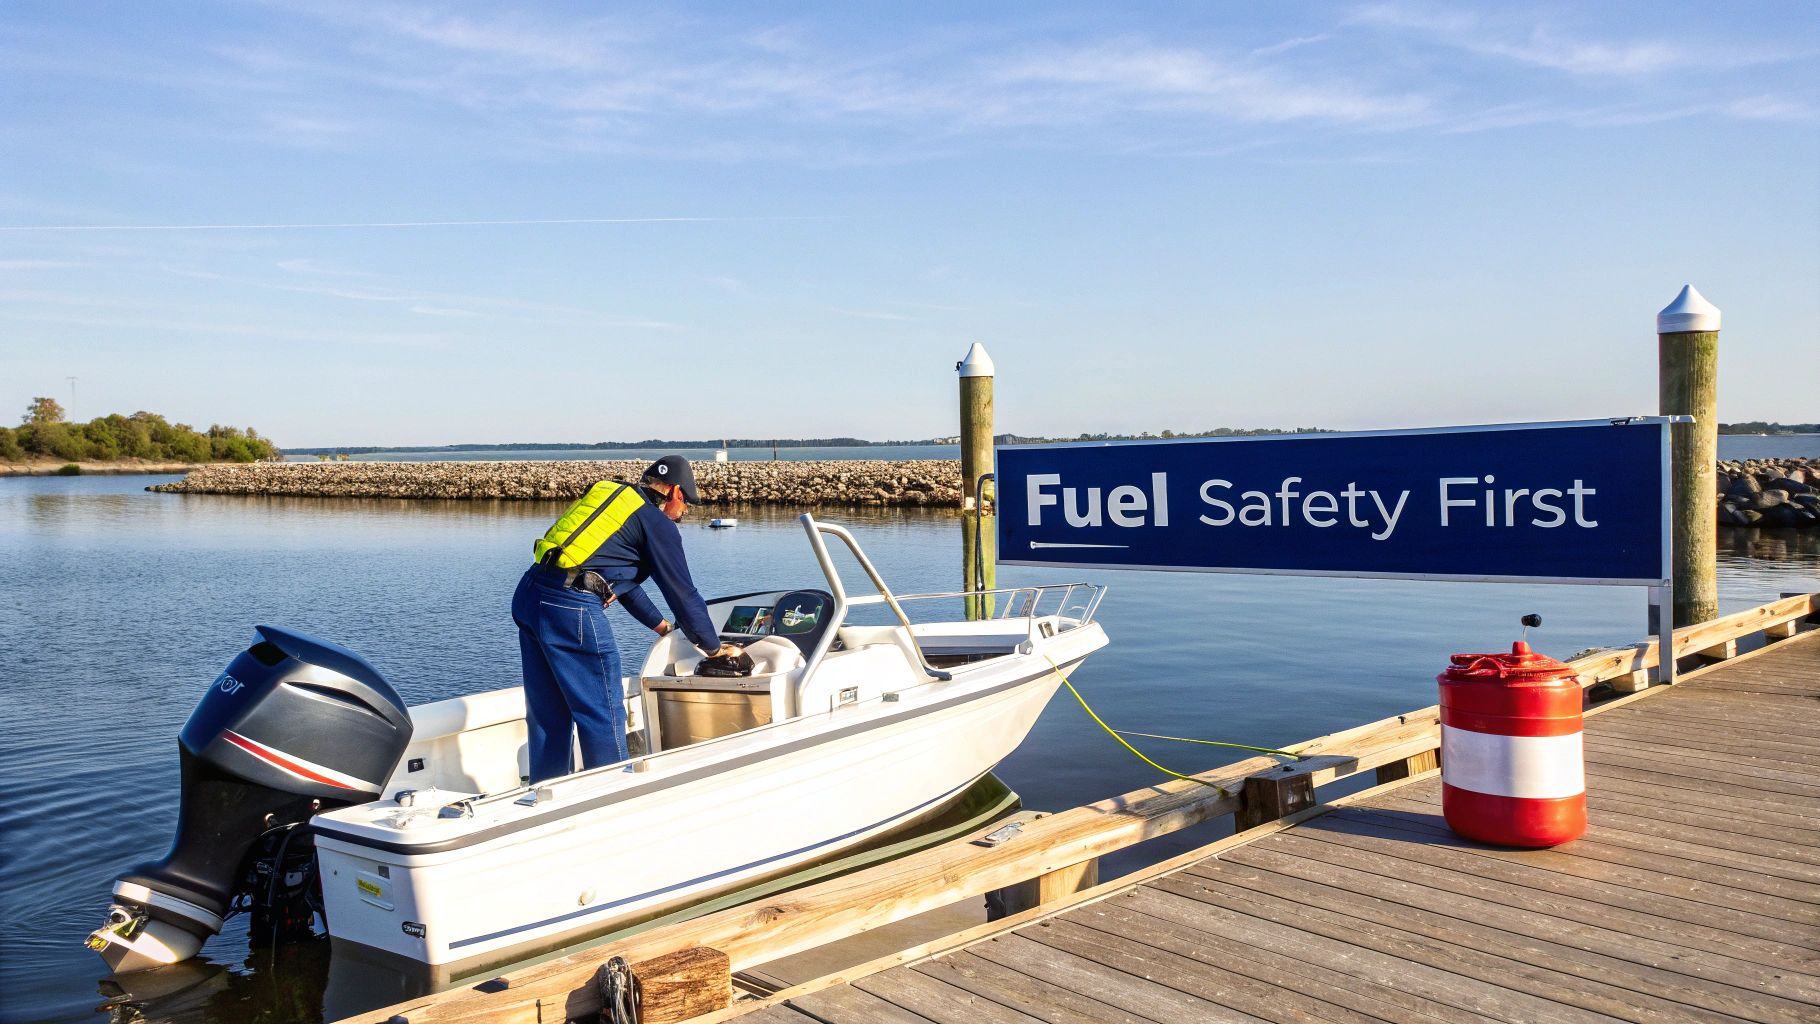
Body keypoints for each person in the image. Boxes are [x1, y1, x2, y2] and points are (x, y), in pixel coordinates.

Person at [512, 455, 739, 782]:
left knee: (548, 712)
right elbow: (683, 593)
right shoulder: (656, 522)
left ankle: (547, 794)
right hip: (571, 607)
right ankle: (610, 799)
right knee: (602, 713)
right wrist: (714, 648)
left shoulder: (613, 496)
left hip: (531, 594)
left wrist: (662, 627)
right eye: (687, 502)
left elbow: (618, 581)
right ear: (675, 492)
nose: (686, 512)